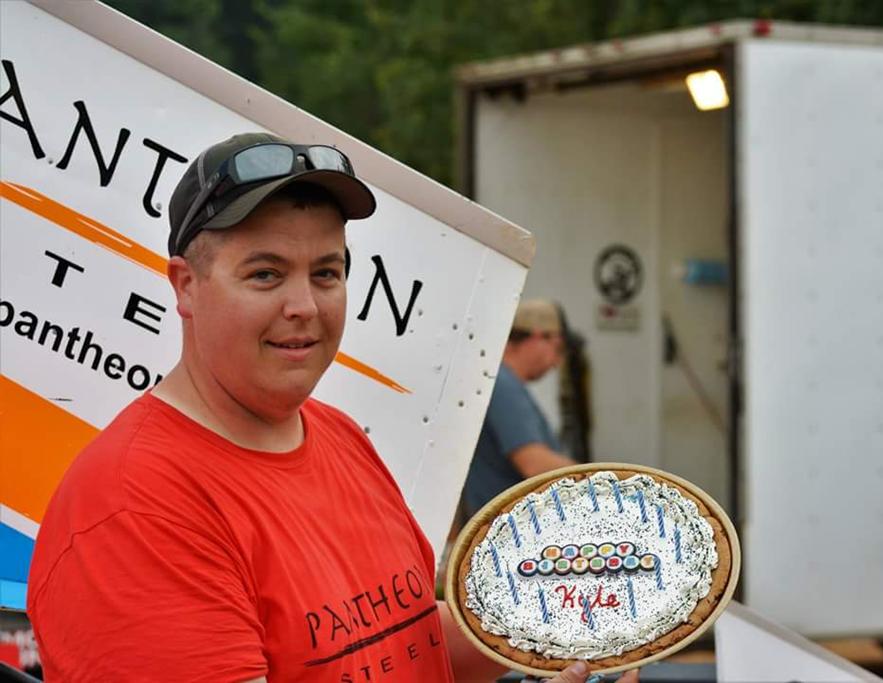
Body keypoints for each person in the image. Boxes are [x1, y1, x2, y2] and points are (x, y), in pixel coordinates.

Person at [26, 133, 634, 683]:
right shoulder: (134, 507)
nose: (305, 306)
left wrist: (559, 623)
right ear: (186, 285)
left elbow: (404, 645)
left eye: (326, 273)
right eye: (265, 274)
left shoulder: (338, 435)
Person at [462, 299, 578, 517]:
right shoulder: (503, 385)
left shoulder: (500, 382)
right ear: (538, 336)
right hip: (510, 527)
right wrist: (599, 478)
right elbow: (534, 463)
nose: (556, 362)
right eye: (558, 348)